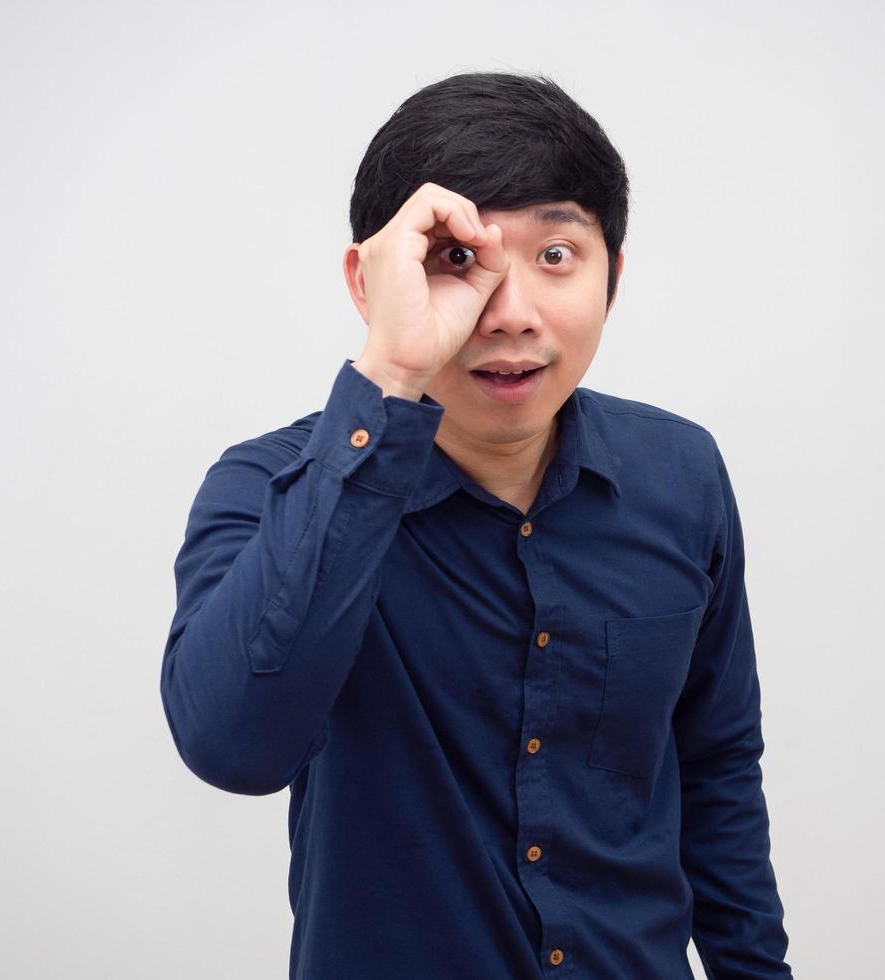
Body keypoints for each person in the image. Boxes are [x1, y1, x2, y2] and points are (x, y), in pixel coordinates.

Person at [160, 69, 793, 979]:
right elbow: (232, 747)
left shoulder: (680, 473)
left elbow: (717, 769)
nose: (510, 314)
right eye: (457, 259)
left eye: (555, 256)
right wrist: (388, 374)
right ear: (370, 282)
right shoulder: (273, 487)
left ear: (612, 276)